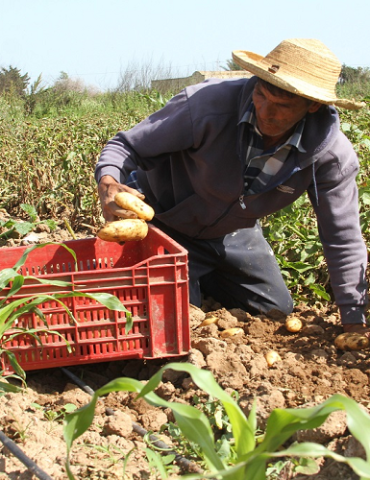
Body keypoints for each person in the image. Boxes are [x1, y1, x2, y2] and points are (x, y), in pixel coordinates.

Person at [95, 38, 368, 335]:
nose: (265, 111)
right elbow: (126, 145)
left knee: (276, 312)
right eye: (261, 95)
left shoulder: (330, 157)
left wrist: (354, 319)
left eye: (282, 105)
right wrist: (109, 180)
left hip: (233, 234)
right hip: (165, 222)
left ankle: (201, 276)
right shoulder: (206, 105)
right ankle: (189, 279)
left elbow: (342, 237)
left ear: (313, 105)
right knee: (176, 322)